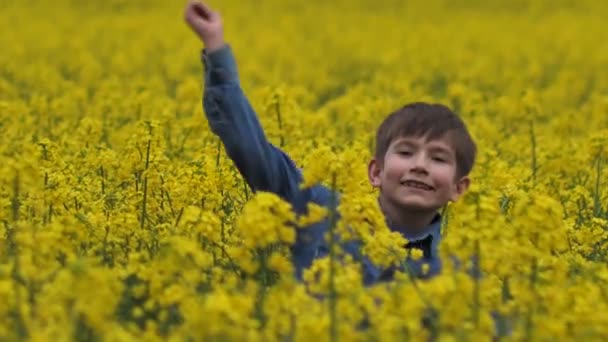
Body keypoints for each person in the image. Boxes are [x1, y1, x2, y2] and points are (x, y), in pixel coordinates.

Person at [184, 0, 477, 286]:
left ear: (458, 188)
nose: (419, 166)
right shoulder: (319, 209)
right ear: (375, 172)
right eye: (406, 151)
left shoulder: (454, 272)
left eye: (438, 158)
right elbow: (253, 152)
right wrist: (216, 46)